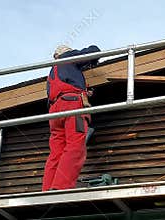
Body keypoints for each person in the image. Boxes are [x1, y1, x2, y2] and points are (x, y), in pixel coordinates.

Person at [42, 44, 100, 191]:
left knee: (56, 152)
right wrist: (92, 59)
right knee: (75, 146)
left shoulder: (52, 73)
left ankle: (48, 189)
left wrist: (84, 91)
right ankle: (61, 188)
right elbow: (93, 52)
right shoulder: (67, 58)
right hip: (72, 107)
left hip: (55, 112)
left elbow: (65, 87)